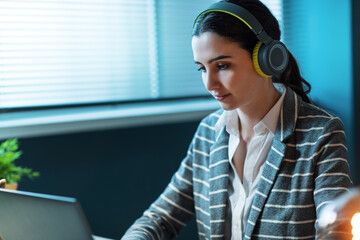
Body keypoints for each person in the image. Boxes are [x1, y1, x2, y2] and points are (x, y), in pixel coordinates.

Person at [122, 0, 353, 239]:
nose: (210, 84)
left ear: (266, 59)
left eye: (222, 65)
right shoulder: (209, 131)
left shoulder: (321, 133)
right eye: (202, 68)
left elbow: (336, 229)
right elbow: (161, 217)